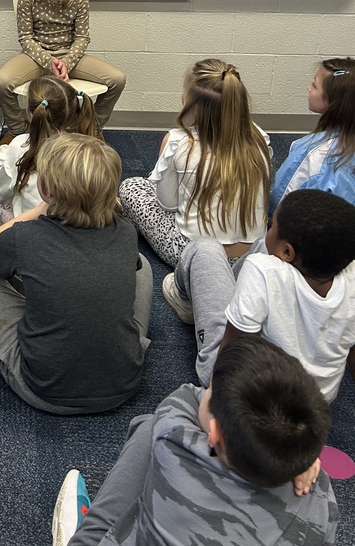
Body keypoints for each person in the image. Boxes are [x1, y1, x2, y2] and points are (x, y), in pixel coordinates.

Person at [52, 335, 337, 546]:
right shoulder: (321, 498)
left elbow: (186, 396)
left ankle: (83, 541)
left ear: (213, 435)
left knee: (148, 426)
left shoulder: (174, 445)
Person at [0, 133, 151, 415]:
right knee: (139, 264)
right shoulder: (126, 232)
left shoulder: (27, 236)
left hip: (43, 390)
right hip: (124, 384)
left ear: (46, 190)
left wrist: (37, 211)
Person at [164, 190, 355, 397]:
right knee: (264, 246)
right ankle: (241, 298)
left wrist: (219, 403)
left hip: (246, 394)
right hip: (311, 404)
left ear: (288, 253)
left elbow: (233, 348)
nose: (268, 229)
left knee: (204, 248)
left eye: (272, 226)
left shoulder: (262, 270)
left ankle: (184, 298)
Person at [118, 59, 272, 267]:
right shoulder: (260, 138)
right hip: (252, 255)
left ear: (192, 104)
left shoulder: (178, 141)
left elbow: (166, 203)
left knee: (132, 186)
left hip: (196, 256)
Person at [0, 0, 125, 144]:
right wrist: (49, 62)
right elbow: (26, 38)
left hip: (69, 56)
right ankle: (18, 130)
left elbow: (82, 37)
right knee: (1, 83)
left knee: (117, 80)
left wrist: (67, 62)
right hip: (36, 55)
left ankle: (93, 127)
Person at [0, 74, 100, 225]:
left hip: (34, 226)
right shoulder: (89, 148)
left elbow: (2, 194)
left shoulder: (20, 145)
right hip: (78, 222)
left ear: (32, 113)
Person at [270, 57, 355, 215]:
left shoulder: (314, 154)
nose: (309, 88)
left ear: (333, 102)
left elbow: (280, 202)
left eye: (315, 86)